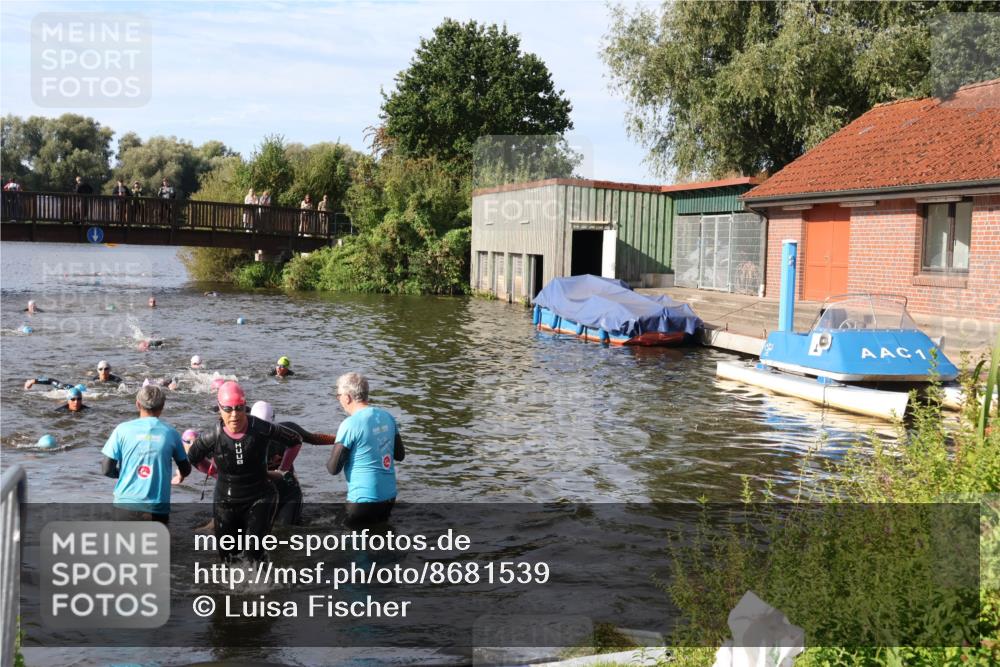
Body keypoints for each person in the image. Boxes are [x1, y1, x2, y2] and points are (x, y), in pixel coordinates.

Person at [185, 381, 302, 562]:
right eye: (228, 409)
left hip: (260, 498)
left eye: (239, 408)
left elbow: (295, 441)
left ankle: (264, 588)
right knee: (228, 559)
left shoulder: (261, 428)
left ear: (245, 407)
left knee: (253, 556)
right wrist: (215, 472)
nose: (234, 415)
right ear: (219, 408)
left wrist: (283, 469)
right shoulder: (213, 436)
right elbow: (193, 457)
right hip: (226, 501)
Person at [101, 385, 191, 524]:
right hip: (156, 509)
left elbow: (106, 469)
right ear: (162, 406)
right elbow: (186, 468)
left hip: (124, 505)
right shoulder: (170, 433)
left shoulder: (122, 430)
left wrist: (125, 472)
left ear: (138, 404)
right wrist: (181, 475)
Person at [327, 372, 405, 527]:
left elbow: (333, 468)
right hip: (388, 498)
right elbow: (399, 455)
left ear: (347, 397)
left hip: (363, 500)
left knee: (341, 539)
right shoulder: (387, 417)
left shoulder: (350, 424)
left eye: (339, 395)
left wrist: (338, 443)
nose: (339, 400)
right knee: (379, 541)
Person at [250, 400, 336, 526]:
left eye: (267, 428)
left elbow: (314, 438)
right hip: (260, 493)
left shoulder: (287, 431)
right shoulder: (244, 439)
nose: (263, 433)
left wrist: (341, 439)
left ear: (273, 423)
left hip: (288, 491)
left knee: (287, 529)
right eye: (259, 428)